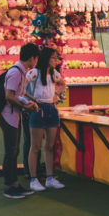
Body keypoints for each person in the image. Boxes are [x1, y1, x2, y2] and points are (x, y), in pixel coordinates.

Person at [0, 42, 39, 199]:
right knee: (11, 151)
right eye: (36, 59)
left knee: (14, 151)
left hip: (14, 116)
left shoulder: (22, 72)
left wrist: (27, 102)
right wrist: (27, 107)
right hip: (8, 116)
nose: (36, 62)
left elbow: (17, 94)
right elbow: (9, 96)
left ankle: (14, 184)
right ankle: (9, 186)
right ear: (32, 58)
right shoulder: (16, 73)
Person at [25, 47, 66, 191]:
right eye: (54, 58)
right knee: (35, 146)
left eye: (57, 58)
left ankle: (49, 178)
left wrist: (57, 94)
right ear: (47, 58)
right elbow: (22, 86)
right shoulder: (34, 73)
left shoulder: (55, 73)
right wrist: (31, 100)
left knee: (50, 146)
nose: (56, 61)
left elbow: (63, 83)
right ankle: (33, 179)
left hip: (51, 109)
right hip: (38, 109)